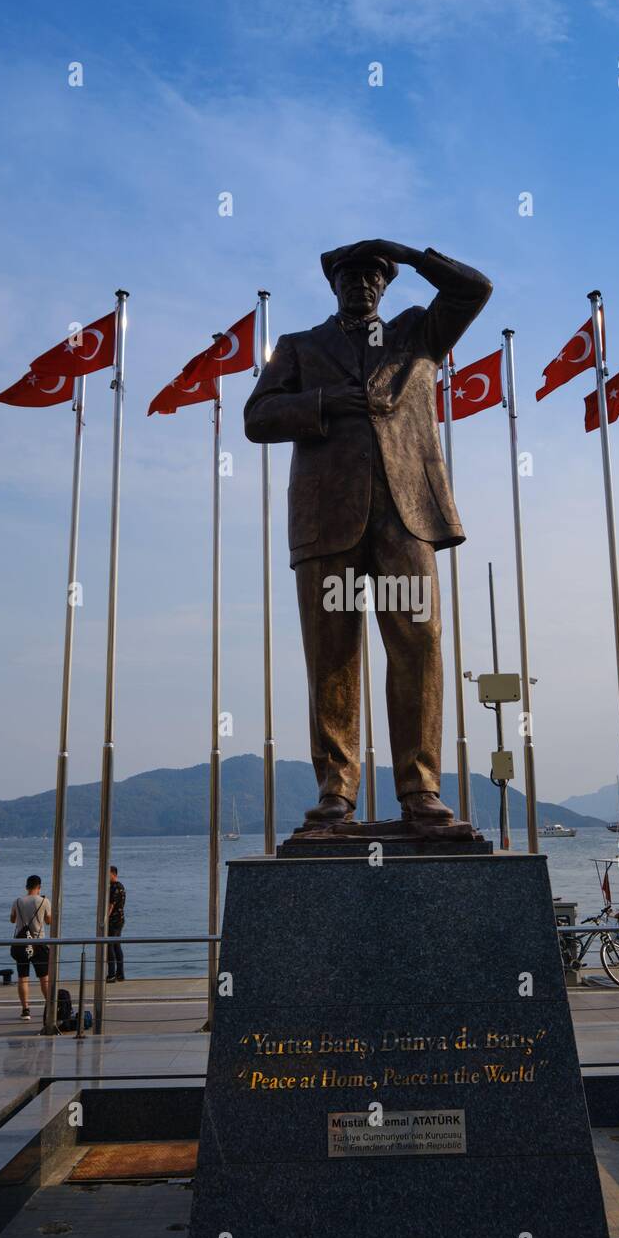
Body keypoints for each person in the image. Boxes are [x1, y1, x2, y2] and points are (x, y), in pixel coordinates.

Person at [244, 239, 492, 828]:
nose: (361, 284)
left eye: (374, 275)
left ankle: (420, 789)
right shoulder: (300, 347)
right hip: (327, 519)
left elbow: (474, 289)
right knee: (330, 654)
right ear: (334, 284)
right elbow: (257, 417)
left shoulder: (418, 334)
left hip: (406, 516)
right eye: (351, 275)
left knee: (419, 646)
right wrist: (327, 401)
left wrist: (409, 252)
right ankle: (336, 790)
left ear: (387, 284)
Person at [10, 874, 51, 1020]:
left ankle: (25, 1010)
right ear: (39, 887)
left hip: (21, 944)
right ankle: (50, 1006)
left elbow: (12, 919)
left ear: (26, 887)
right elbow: (49, 921)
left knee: (23, 978)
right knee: (44, 978)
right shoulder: (44, 901)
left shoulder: (18, 901)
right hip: (38, 944)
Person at [106, 865, 126, 983]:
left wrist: (104, 919)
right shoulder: (121, 886)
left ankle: (112, 974)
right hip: (120, 919)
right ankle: (120, 974)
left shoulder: (114, 887)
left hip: (113, 920)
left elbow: (111, 905)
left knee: (110, 946)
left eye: (107, 874)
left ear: (113, 874)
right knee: (117, 946)